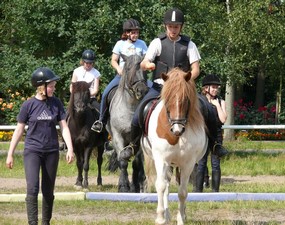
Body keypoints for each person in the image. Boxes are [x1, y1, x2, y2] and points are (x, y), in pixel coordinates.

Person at [122, 8, 228, 159]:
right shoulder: (157, 42)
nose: (173, 30)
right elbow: (144, 62)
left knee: (209, 108)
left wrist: (187, 79)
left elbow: (196, 68)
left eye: (176, 27)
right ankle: (133, 145)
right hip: (160, 87)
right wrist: (148, 65)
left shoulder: (189, 44)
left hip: (183, 88)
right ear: (165, 26)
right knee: (140, 111)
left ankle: (215, 144)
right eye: (170, 26)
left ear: (181, 27)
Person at [6, 67, 74, 225]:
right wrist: (10, 153)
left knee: (48, 191)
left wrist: (70, 148)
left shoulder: (56, 103)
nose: (53, 88)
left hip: (51, 151)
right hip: (32, 151)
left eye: (54, 86)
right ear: (40, 86)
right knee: (33, 188)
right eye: (51, 86)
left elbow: (64, 127)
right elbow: (19, 129)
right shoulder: (28, 105)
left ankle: (45, 223)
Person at [91, 18, 148, 133]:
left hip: (139, 78)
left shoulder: (142, 44)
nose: (135, 35)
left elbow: (147, 59)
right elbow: (113, 60)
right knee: (105, 93)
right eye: (133, 32)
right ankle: (101, 120)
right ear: (127, 33)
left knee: (154, 92)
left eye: (137, 32)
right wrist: (118, 69)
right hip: (122, 77)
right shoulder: (120, 44)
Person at [194, 74, 227, 192]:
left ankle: (215, 191)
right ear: (206, 88)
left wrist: (217, 105)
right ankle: (197, 191)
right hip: (203, 134)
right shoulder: (199, 101)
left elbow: (223, 119)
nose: (216, 89)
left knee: (215, 163)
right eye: (213, 87)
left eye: (217, 87)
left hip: (216, 134)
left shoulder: (221, 101)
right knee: (201, 163)